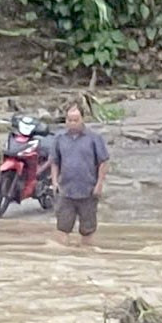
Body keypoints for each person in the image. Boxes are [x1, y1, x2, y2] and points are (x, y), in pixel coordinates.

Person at [46, 103, 111, 247]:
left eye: (75, 120)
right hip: (66, 191)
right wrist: (55, 182)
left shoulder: (94, 138)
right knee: (62, 228)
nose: (72, 123)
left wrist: (99, 184)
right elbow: (54, 161)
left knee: (87, 230)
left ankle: (87, 257)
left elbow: (103, 162)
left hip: (88, 190)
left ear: (83, 119)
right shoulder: (59, 138)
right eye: (69, 120)